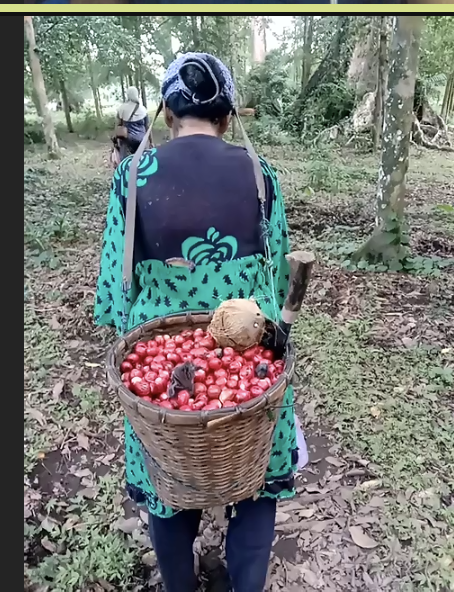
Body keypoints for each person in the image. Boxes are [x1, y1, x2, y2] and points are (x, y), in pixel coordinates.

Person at [94, 53, 300, 592]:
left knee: (168, 477)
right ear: (228, 117)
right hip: (248, 360)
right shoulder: (258, 173)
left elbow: (116, 289)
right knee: (256, 480)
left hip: (160, 369)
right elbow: (280, 277)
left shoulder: (133, 175)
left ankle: (180, 584)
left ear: (167, 114)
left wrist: (136, 333)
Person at [115, 86, 149, 161]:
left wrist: (117, 140)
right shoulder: (143, 109)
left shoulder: (121, 108)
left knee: (126, 162)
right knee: (143, 161)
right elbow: (147, 127)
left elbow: (118, 125)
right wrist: (151, 141)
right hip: (141, 141)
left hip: (127, 141)